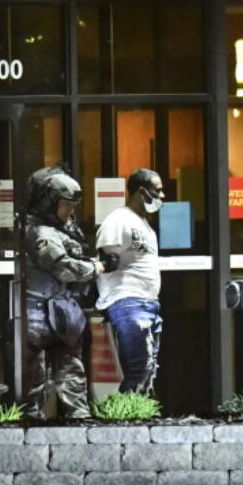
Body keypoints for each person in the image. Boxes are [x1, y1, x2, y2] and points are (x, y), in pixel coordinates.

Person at [21, 166, 112, 419]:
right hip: (38, 311)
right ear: (48, 202)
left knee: (71, 370)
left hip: (61, 308)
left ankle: (77, 416)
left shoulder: (59, 227)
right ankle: (32, 420)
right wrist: (97, 267)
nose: (71, 211)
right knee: (34, 375)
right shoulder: (39, 232)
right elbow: (63, 267)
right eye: (66, 204)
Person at [95, 168, 165, 395]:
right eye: (158, 191)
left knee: (148, 369)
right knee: (140, 368)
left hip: (146, 302)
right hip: (128, 301)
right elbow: (105, 262)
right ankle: (126, 421)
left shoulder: (143, 223)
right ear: (141, 192)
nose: (162, 196)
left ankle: (140, 417)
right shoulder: (119, 221)